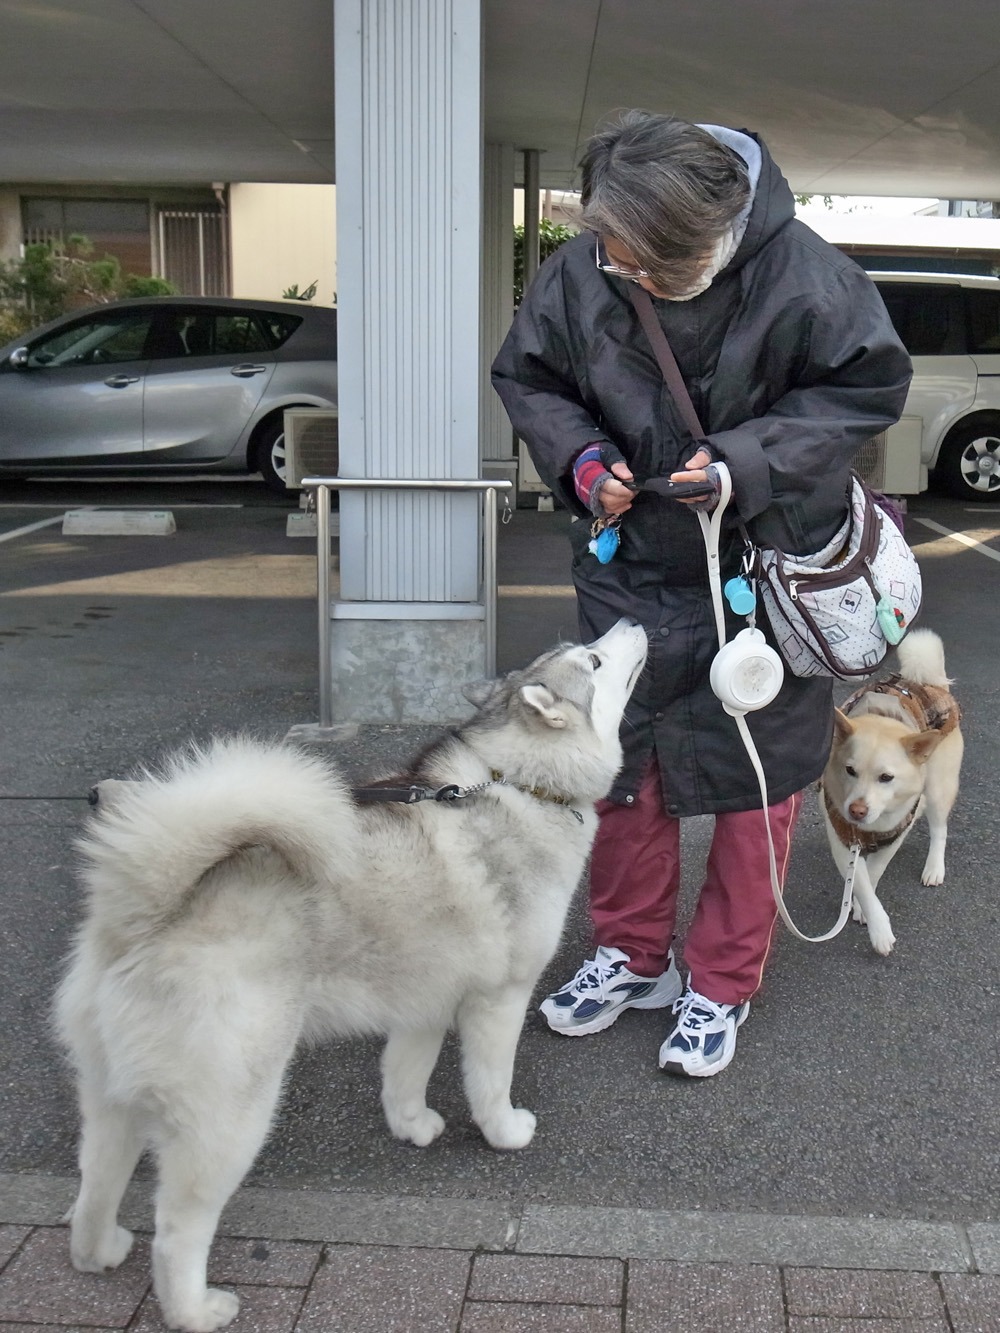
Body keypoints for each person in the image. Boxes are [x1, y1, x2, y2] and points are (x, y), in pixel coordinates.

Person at [491, 111, 912, 1078]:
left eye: (646, 263)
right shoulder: (584, 264)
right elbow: (532, 376)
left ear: (710, 239)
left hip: (764, 561)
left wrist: (743, 462)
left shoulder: (808, 274)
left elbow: (864, 391)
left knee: (753, 781)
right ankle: (629, 954)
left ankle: (721, 980)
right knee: (622, 765)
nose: (621, 271)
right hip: (630, 555)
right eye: (613, 254)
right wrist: (581, 459)